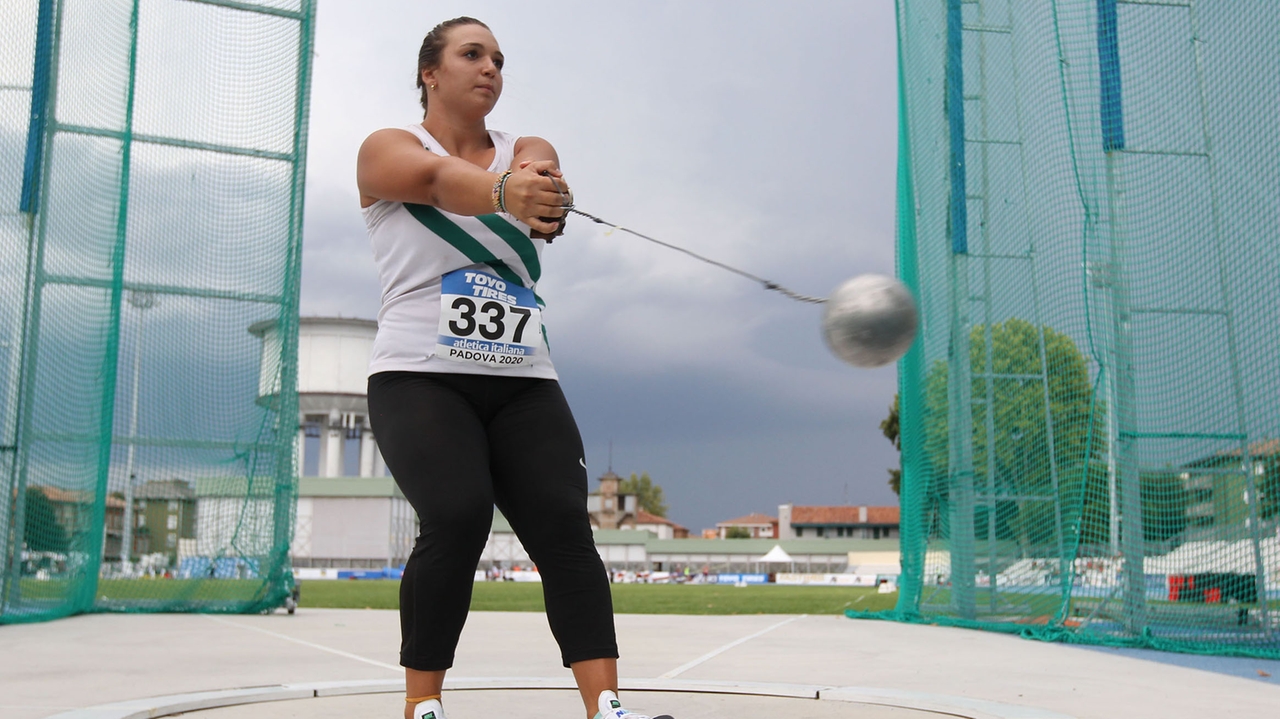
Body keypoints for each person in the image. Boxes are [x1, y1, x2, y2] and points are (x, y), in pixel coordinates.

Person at [356, 17, 672, 719]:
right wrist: (506, 195)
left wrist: (538, 192)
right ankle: (422, 706)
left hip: (524, 377)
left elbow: (541, 179)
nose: (490, 68)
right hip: (420, 374)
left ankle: (607, 707)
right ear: (429, 73)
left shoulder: (523, 147)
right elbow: (437, 181)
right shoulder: (387, 148)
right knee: (459, 514)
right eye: (472, 54)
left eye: (499, 58)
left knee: (565, 524)